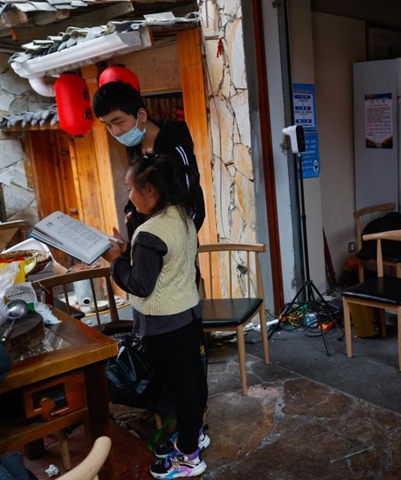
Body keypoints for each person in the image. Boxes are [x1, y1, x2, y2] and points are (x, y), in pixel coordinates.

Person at [102, 154, 208, 479]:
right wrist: (128, 251)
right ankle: (195, 435)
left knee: (182, 389)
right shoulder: (181, 216)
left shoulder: (150, 234)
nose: (128, 196)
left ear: (150, 191)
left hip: (163, 327)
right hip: (188, 316)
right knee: (193, 383)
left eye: (130, 189)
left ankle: (189, 457)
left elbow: (140, 285)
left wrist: (116, 260)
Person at [92, 81, 205, 240]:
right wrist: (131, 212)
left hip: (173, 245)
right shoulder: (134, 148)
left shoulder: (175, 143)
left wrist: (177, 244)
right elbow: (137, 191)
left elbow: (193, 203)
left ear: (142, 115)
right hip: (147, 244)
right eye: (108, 125)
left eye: (118, 122)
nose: (115, 132)